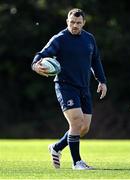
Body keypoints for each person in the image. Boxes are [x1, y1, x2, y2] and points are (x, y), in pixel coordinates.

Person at [32, 8, 107, 170]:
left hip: (84, 87)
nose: (74, 25)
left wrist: (102, 80)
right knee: (76, 121)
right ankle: (77, 162)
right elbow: (42, 53)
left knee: (84, 128)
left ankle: (57, 147)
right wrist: (35, 65)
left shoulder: (89, 39)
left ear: (83, 23)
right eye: (72, 22)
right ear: (67, 21)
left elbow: (96, 60)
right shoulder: (60, 39)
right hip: (65, 86)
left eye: (78, 23)